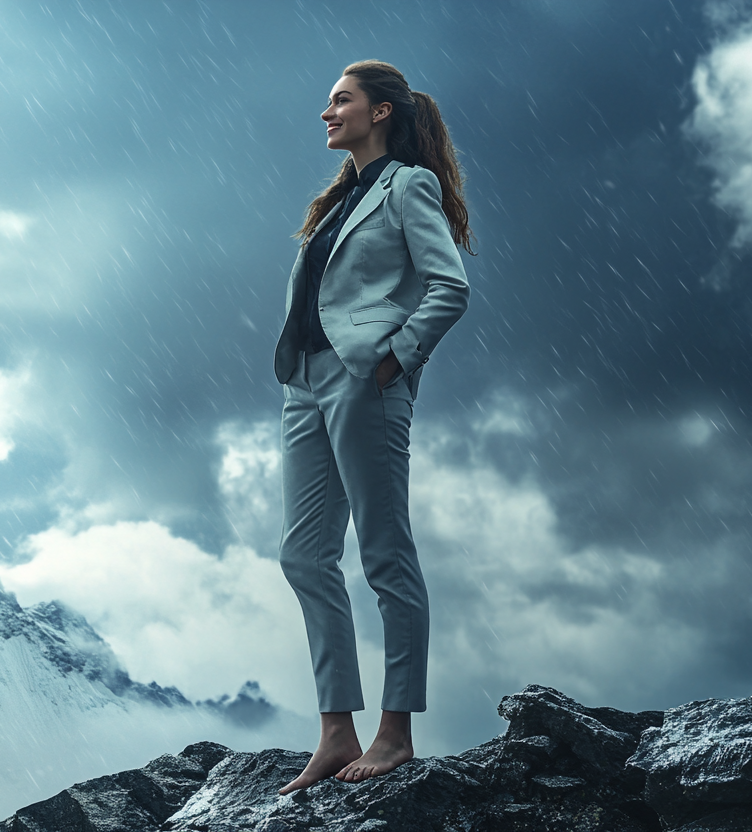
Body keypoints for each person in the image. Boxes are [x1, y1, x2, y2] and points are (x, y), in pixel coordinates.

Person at [273, 60, 473, 792]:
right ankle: (336, 732)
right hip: (305, 384)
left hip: (365, 381)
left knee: (385, 556)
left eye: (340, 101)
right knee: (304, 555)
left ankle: (395, 734)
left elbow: (451, 286)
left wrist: (394, 360)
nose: (327, 113)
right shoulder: (336, 201)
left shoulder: (408, 186)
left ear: (381, 112)